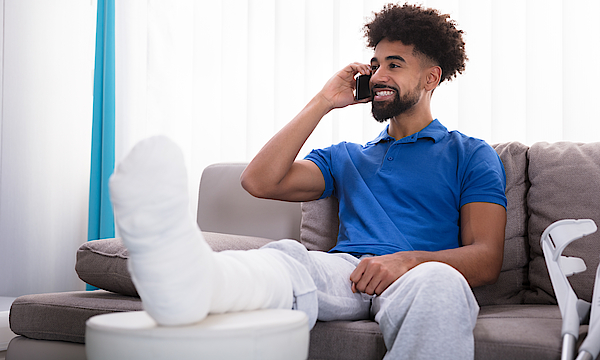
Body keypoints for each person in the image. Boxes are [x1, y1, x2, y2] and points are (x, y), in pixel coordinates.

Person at [109, 3, 507, 359]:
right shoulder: (346, 155)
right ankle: (194, 283)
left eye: (395, 64)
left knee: (441, 285)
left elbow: (486, 258)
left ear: (430, 78)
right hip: (346, 272)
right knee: (287, 260)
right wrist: (324, 101)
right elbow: (259, 181)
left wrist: (406, 261)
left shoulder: (469, 153)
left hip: (420, 275)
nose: (379, 74)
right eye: (376, 63)